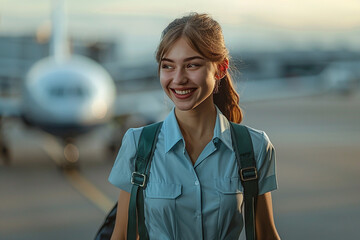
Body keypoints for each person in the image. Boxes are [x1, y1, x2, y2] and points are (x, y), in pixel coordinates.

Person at [108, 12, 280, 240]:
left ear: (220, 69)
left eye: (192, 65)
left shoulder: (254, 147)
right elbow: (121, 235)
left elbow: (265, 235)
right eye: (168, 66)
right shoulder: (137, 145)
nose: (178, 79)